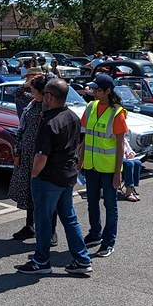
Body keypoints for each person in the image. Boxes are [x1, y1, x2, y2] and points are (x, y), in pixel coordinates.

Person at [17, 78, 94, 275]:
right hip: (67, 176)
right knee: (69, 217)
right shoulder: (72, 117)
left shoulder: (50, 122)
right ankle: (82, 259)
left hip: (48, 178)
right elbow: (78, 144)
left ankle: (41, 261)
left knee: (43, 220)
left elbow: (41, 157)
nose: (43, 98)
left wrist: (34, 176)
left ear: (50, 96)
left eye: (45, 94)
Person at [79, 73, 127, 258]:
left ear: (108, 91)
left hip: (108, 169)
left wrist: (118, 172)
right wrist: (80, 160)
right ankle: (95, 234)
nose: (94, 92)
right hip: (91, 167)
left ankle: (108, 242)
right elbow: (86, 137)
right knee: (91, 202)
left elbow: (120, 145)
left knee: (110, 205)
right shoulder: (90, 107)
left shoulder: (117, 112)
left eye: (97, 90)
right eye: (93, 89)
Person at [9, 75, 54, 244]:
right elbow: (18, 93)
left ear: (43, 92)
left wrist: (44, 79)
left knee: (45, 194)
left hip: (40, 155)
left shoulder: (48, 106)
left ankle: (51, 231)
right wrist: (28, 84)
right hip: (27, 154)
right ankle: (30, 226)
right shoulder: (32, 102)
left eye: (34, 91)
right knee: (29, 191)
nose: (31, 93)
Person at [119, 135, 142, 202]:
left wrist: (131, 153)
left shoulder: (124, 139)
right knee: (129, 164)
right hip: (117, 158)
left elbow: (129, 149)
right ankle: (128, 191)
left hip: (126, 158)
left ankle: (132, 188)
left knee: (138, 163)